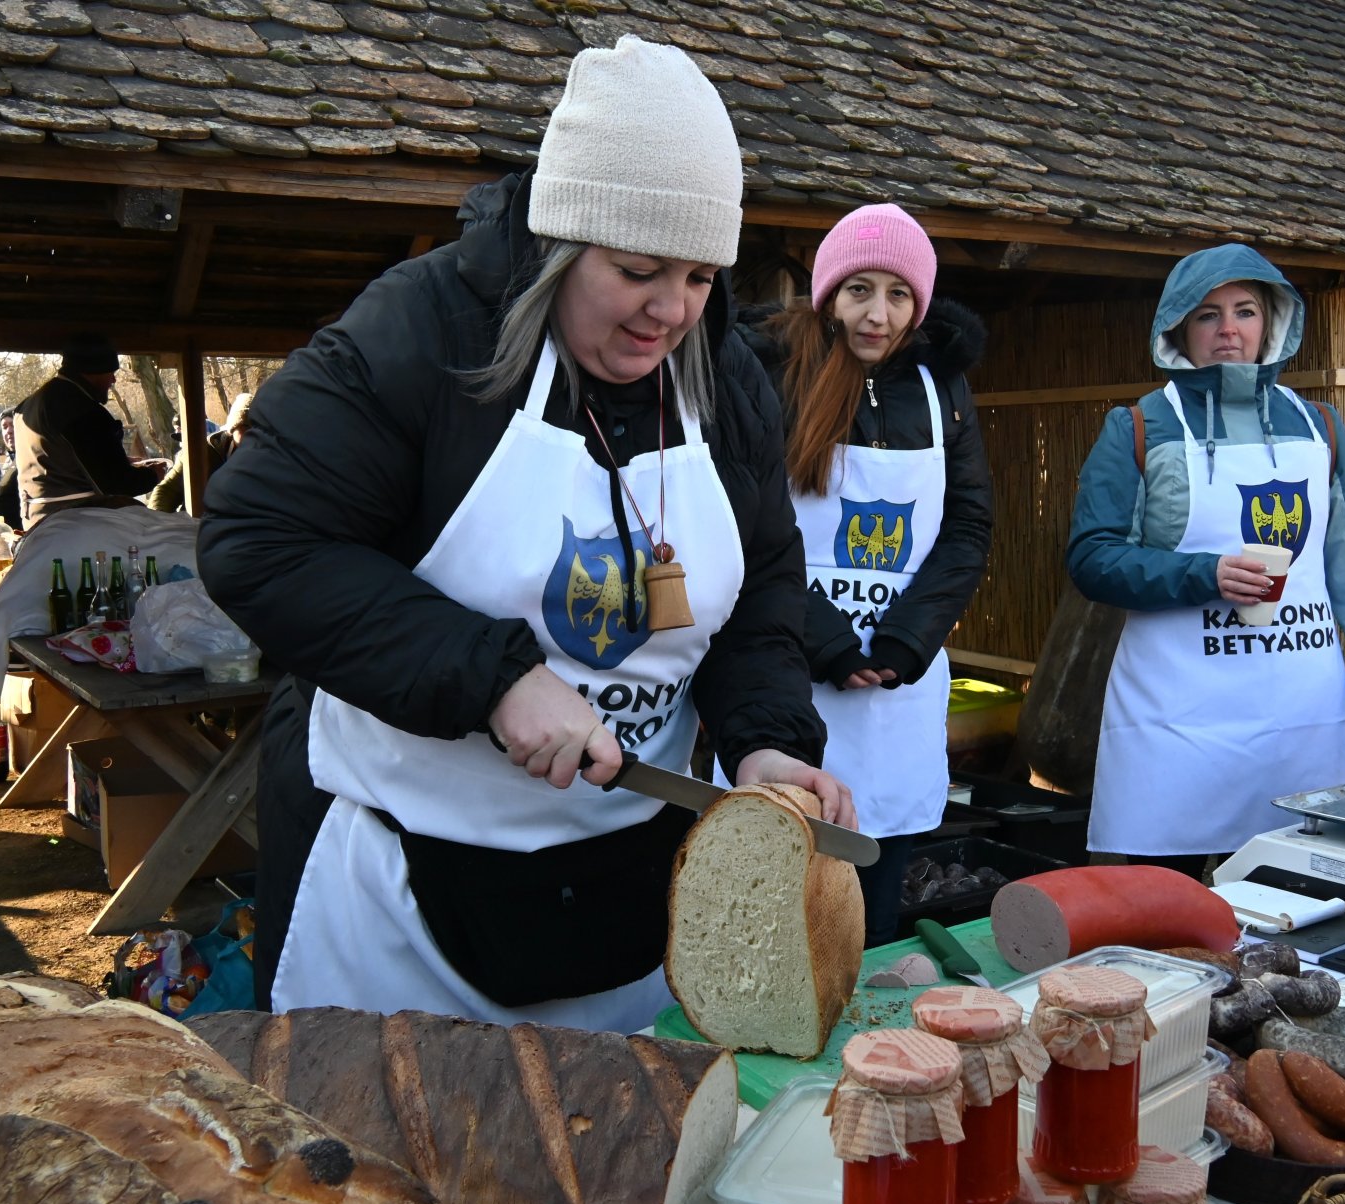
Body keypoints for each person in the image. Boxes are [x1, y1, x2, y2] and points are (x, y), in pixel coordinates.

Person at [197, 35, 853, 1032]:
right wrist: (493, 676)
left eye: (700, 276)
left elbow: (762, 588)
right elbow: (262, 541)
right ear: (562, 241)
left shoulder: (724, 382)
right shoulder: (420, 336)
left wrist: (764, 741)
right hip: (398, 891)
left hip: (634, 886)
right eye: (638, 269)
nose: (670, 312)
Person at [1067, 244, 1345, 880]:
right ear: (1178, 326)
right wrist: (1204, 574)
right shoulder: (1141, 427)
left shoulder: (1321, 428)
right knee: (1166, 919)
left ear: (1273, 322)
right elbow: (1093, 559)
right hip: (1176, 728)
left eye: (1245, 311)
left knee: (1298, 921)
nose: (1228, 330)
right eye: (1207, 314)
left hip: (1300, 727)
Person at [739, 204, 993, 946]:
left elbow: (968, 524)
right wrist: (827, 641)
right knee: (781, 902)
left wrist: (906, 640)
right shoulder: (770, 375)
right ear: (827, 295)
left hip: (899, 692)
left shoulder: (942, 390)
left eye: (898, 294)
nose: (878, 315)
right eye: (859, 290)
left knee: (874, 912)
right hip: (791, 672)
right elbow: (748, 525)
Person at [13, 336, 166, 525]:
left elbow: (61, 460)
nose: (113, 379)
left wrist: (118, 461)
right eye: (110, 371)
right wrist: (153, 475)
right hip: (77, 523)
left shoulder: (28, 405)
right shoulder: (79, 409)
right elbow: (116, 484)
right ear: (94, 370)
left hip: (37, 521)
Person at [148, 392, 252, 513]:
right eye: (246, 427)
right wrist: (159, 523)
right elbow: (167, 491)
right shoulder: (200, 453)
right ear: (233, 429)